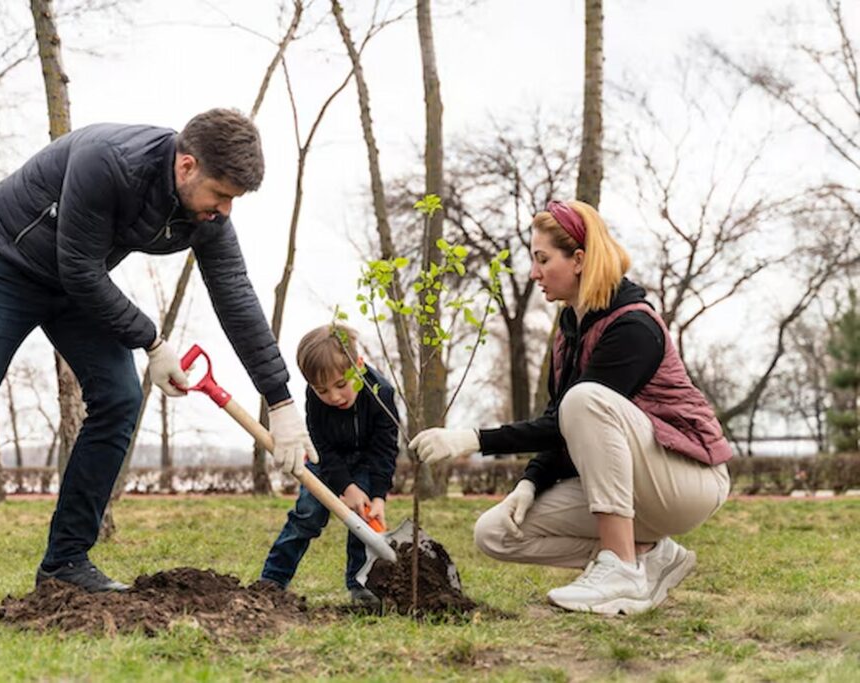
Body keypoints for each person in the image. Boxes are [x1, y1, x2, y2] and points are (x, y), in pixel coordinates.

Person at [0, 109, 318, 640]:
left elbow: (236, 296)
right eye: (220, 195)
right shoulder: (110, 161)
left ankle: (65, 560)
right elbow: (81, 270)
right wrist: (151, 340)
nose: (223, 211)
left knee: (120, 398)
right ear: (187, 165)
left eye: (231, 202)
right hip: (6, 264)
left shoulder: (207, 216)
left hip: (76, 281)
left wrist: (281, 400)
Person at [409, 200, 732, 616]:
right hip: (638, 486)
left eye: (543, 259)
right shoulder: (569, 330)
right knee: (495, 533)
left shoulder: (634, 326)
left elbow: (572, 415)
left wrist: (468, 439)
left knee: (585, 398)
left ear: (578, 259)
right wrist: (530, 483)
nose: (534, 272)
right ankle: (650, 554)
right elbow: (560, 423)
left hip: (688, 480)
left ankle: (620, 570)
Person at [259, 324, 399, 607]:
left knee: (363, 523)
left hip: (365, 462)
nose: (334, 397)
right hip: (325, 462)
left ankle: (360, 586)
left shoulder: (381, 393)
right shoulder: (315, 398)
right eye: (322, 390)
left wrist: (378, 495)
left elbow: (384, 449)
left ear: (358, 366)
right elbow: (321, 446)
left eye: (340, 385)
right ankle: (272, 582)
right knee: (306, 515)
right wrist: (344, 486)